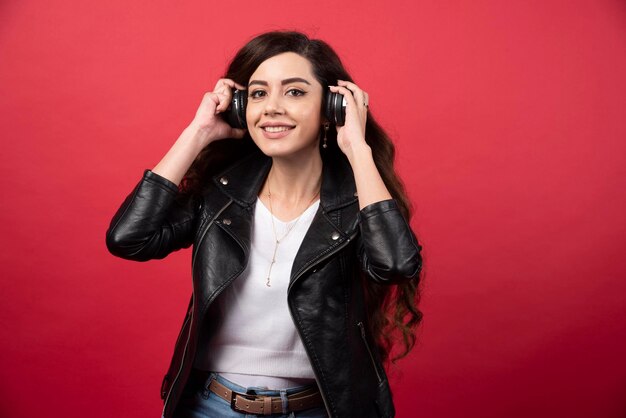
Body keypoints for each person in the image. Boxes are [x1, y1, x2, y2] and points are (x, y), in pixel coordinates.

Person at [106, 31, 423, 418]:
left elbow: (395, 264)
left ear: (332, 109)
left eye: (294, 92)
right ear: (240, 109)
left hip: (320, 410)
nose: (272, 107)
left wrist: (358, 149)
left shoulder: (359, 202)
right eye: (258, 94)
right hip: (211, 407)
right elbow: (129, 239)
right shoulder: (221, 195)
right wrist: (198, 133)